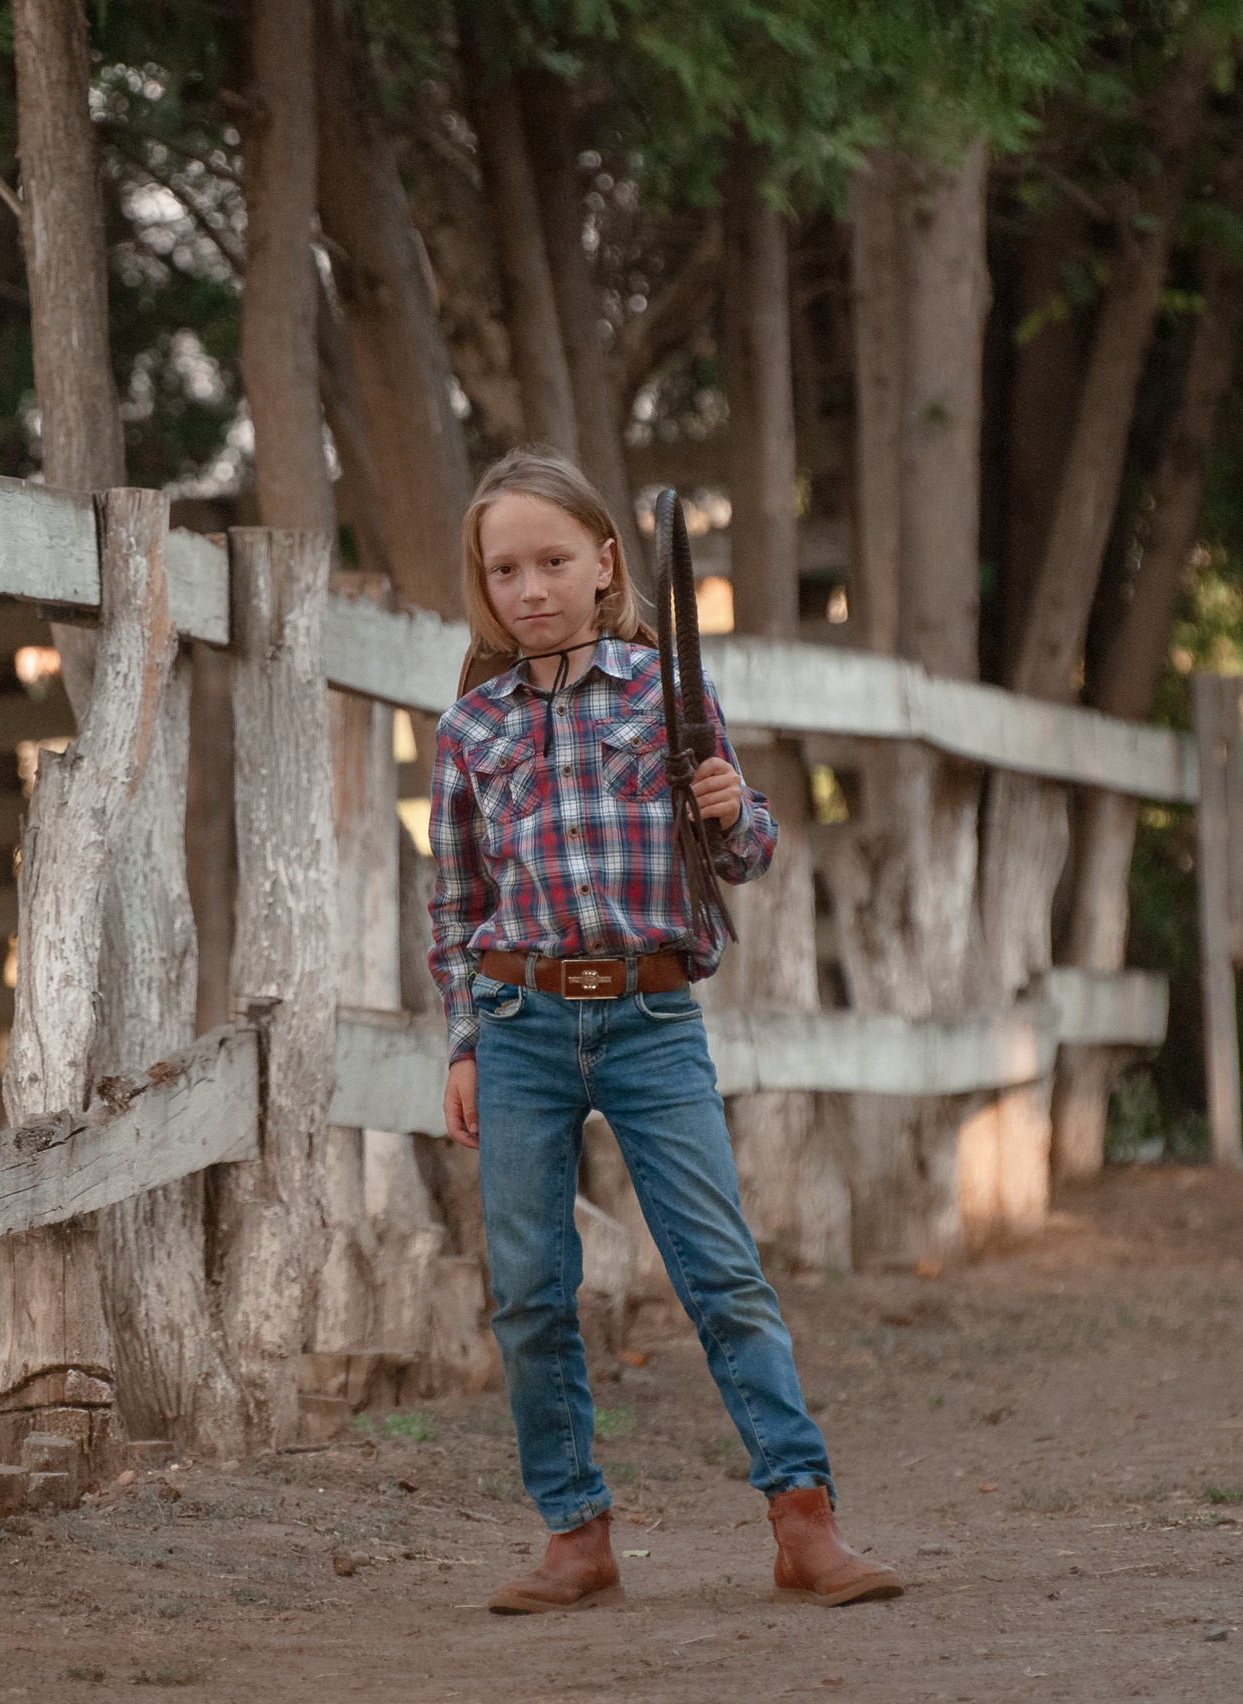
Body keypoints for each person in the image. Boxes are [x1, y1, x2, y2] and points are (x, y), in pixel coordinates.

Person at [428, 446, 901, 1616]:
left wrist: (737, 808)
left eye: (551, 561)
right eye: (504, 571)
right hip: (520, 1018)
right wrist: (463, 1041)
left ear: (603, 563)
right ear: (483, 589)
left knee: (720, 1271)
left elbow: (741, 858)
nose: (529, 588)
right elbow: (453, 905)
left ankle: (803, 1520)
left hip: (650, 1017)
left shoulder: (667, 695)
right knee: (531, 1287)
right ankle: (574, 1533)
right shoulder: (470, 730)